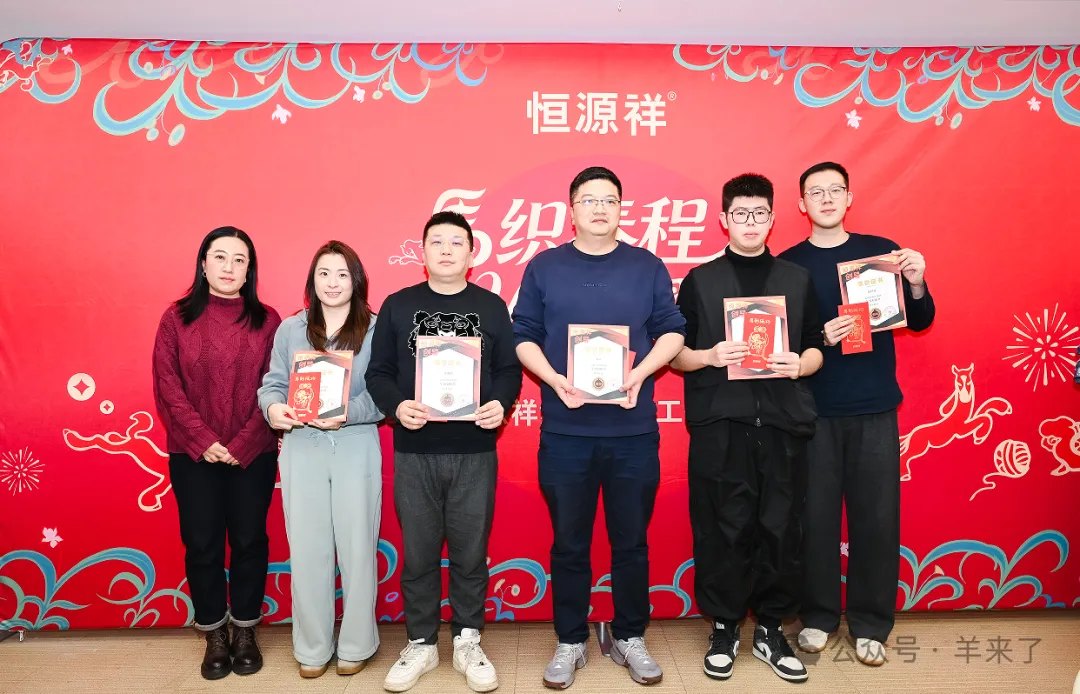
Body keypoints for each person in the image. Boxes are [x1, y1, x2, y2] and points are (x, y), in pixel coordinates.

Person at [512, 166, 686, 689]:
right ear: (572, 210)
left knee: (631, 542)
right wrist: (555, 379)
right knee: (569, 542)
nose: (600, 208)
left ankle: (630, 635)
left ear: (621, 208)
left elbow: (672, 332)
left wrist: (639, 374)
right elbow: (523, 335)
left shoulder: (646, 265)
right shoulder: (545, 267)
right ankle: (571, 639)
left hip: (633, 432)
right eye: (589, 200)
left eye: (609, 200)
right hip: (566, 432)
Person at [778, 161, 935, 666]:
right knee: (815, 520)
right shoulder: (788, 264)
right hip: (813, 412)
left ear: (849, 197)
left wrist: (916, 283)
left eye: (835, 190)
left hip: (874, 408)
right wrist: (819, 337)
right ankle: (819, 616)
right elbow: (778, 341)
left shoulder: (880, 253)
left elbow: (920, 319)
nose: (826, 198)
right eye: (815, 192)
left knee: (876, 519)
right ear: (802, 204)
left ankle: (871, 623)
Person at [670, 173, 824, 683]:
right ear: (724, 219)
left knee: (781, 529)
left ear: (773, 217)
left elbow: (815, 345)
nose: (751, 222)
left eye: (760, 213)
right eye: (741, 213)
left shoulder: (796, 279)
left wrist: (800, 364)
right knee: (723, 528)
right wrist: (710, 355)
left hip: (783, 423)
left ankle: (772, 629)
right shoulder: (701, 281)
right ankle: (723, 627)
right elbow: (677, 355)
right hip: (722, 424)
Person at [366, 211, 522, 693]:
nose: (447, 250)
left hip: (475, 450)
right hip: (415, 450)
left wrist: (500, 403)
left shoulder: (491, 306)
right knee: (418, 553)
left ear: (472, 253)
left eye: (457, 242)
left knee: (471, 552)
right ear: (423, 251)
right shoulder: (397, 305)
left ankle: (467, 640)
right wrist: (397, 406)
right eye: (438, 241)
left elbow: (508, 371)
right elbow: (378, 373)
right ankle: (421, 642)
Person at [152, 226, 281, 680]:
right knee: (203, 543)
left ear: (250, 270)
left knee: (249, 541)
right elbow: (167, 387)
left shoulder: (268, 320)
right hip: (193, 455)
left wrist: (242, 444)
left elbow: (275, 386)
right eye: (220, 257)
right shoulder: (176, 318)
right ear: (203, 264)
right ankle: (214, 633)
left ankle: (245, 629)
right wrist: (205, 442)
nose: (229, 267)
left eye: (239, 259)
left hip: (254, 453)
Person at [257, 240, 385, 678]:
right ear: (312, 280)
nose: (333, 283)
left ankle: (357, 643)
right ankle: (312, 647)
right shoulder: (291, 328)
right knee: (308, 550)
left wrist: (347, 412)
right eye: (324, 274)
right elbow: (272, 384)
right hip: (302, 447)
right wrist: (275, 409)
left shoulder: (375, 328)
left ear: (357, 280)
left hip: (356, 445)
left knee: (357, 547)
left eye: (342, 274)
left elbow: (385, 393)